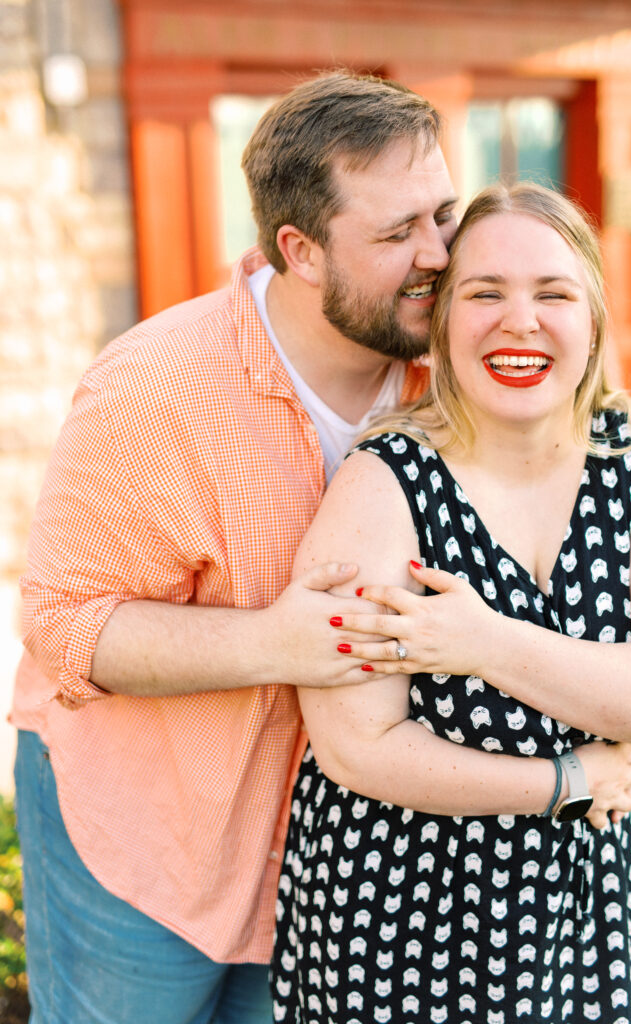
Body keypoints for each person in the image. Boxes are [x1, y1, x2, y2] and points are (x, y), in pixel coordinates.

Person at [11, 70, 460, 1024]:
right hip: (142, 837)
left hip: (327, 857)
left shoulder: (455, 380)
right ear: (297, 248)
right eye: (394, 234)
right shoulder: (156, 388)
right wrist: (279, 643)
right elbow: (64, 626)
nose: (437, 255)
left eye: (443, 215)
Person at [272, 182, 631, 1024]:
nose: (518, 320)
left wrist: (484, 642)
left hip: (592, 900)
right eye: (484, 293)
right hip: (403, 907)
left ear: (593, 317)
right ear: (441, 319)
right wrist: (561, 780)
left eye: (553, 293)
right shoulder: (382, 480)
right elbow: (357, 748)